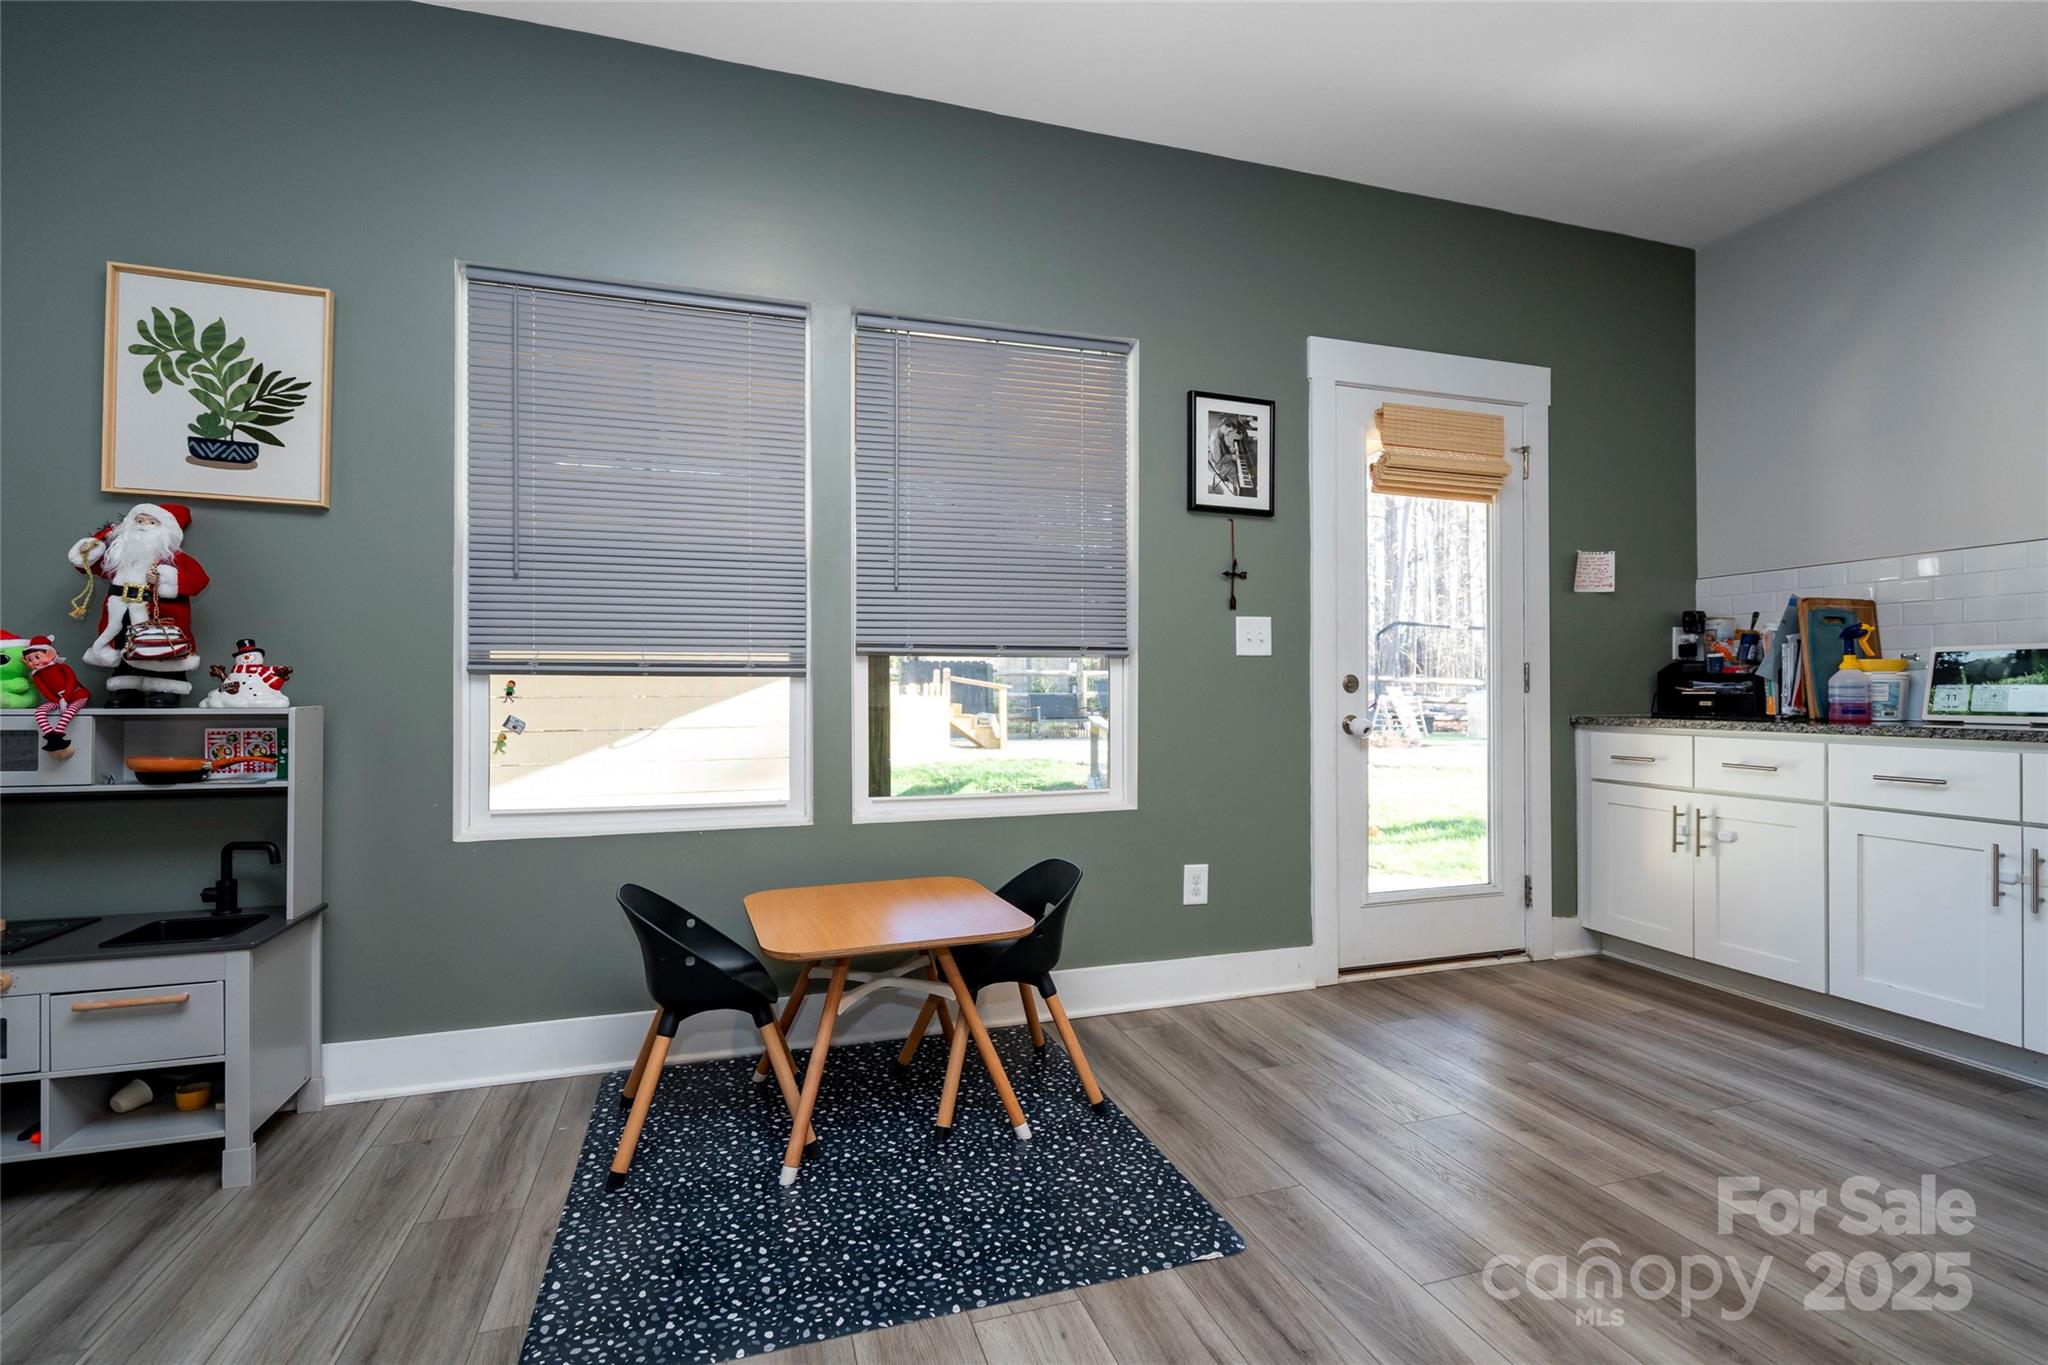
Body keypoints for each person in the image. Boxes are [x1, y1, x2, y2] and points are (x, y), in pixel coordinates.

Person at [67, 502, 210, 706]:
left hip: (159, 616)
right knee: (124, 645)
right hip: (121, 611)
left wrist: (165, 579)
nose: (143, 525)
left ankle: (165, 687)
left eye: (151, 522)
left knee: (159, 649)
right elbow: (93, 568)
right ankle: (126, 688)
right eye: (139, 520)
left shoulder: (176, 559)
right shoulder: (120, 556)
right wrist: (89, 551)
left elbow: (199, 581)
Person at [22, 636, 90, 757]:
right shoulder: (37, 675)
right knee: (40, 711)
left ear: (50, 653)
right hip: (58, 700)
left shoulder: (63, 667)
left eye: (37, 657)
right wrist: (58, 701)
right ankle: (52, 737)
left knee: (71, 710)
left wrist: (65, 698)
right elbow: (45, 692)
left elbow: (71, 682)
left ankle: (58, 735)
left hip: (78, 695)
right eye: (30, 659)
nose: (34, 662)